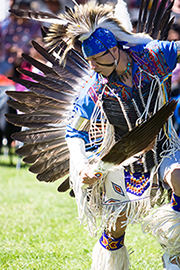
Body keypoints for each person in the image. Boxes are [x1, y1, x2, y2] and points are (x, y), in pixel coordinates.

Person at [6, 0, 180, 269]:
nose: (94, 67)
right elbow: (74, 130)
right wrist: (81, 165)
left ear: (113, 50)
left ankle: (174, 247)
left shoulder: (155, 58)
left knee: (179, 179)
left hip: (165, 147)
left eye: (97, 61)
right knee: (115, 231)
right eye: (89, 62)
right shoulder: (95, 88)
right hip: (124, 160)